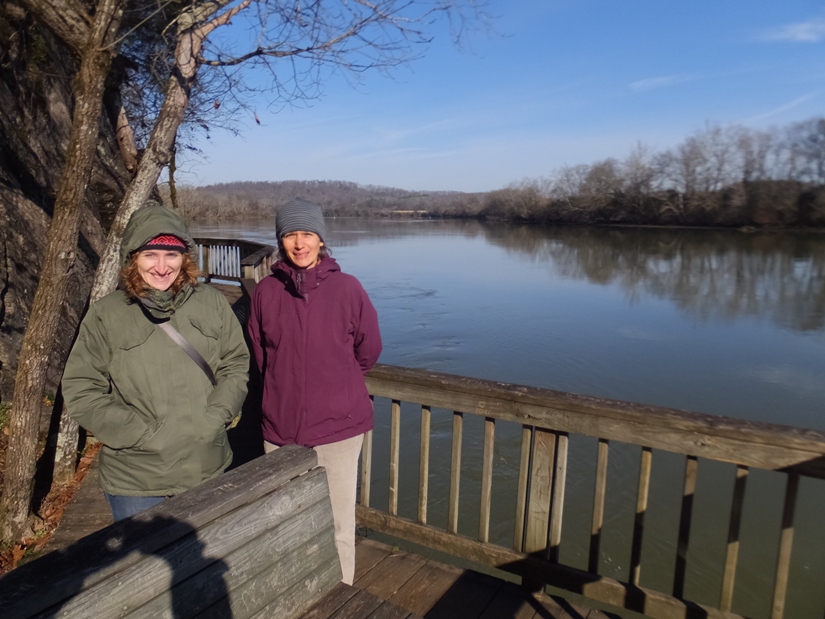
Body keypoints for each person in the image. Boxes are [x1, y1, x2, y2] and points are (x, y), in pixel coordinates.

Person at [62, 202, 249, 522]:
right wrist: (139, 433)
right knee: (145, 571)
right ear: (133, 257)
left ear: (184, 257)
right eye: (150, 254)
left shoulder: (212, 302)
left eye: (171, 254)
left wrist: (216, 416)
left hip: (207, 467)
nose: (161, 266)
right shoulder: (107, 313)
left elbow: (235, 364)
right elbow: (81, 387)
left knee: (203, 564)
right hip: (137, 483)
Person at [247, 197, 382, 584]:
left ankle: (341, 594)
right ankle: (293, 592)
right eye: (290, 234)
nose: (300, 242)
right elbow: (261, 355)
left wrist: (335, 384)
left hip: (339, 429)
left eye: (307, 233)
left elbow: (368, 350)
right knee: (284, 520)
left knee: (340, 524)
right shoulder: (266, 292)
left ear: (322, 240)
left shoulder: (348, 288)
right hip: (280, 430)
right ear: (280, 241)